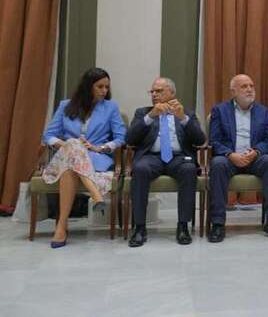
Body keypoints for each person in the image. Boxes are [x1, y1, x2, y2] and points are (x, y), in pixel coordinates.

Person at [41, 68, 126, 248]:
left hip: (95, 157)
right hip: (65, 156)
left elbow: (121, 137)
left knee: (69, 171)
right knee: (72, 143)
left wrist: (100, 147)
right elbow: (48, 136)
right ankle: (95, 195)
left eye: (106, 87)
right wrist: (68, 146)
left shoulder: (111, 107)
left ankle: (61, 227)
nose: (104, 91)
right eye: (100, 87)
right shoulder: (66, 105)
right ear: (88, 87)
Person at [126, 77, 206, 247]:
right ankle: (140, 228)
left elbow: (200, 140)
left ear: (172, 93)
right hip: (151, 157)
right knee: (139, 169)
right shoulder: (142, 113)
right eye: (152, 91)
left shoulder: (187, 113)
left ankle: (183, 226)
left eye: (159, 91)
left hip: (178, 157)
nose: (154, 94)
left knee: (189, 169)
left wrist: (183, 118)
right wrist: (150, 117)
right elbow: (130, 139)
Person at [207, 74, 268, 243]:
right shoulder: (219, 111)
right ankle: (218, 223)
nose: (249, 89)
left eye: (251, 86)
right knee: (217, 164)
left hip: (255, 158)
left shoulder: (263, 112)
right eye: (244, 86)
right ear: (233, 91)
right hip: (229, 158)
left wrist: (256, 152)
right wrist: (230, 154)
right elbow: (214, 141)